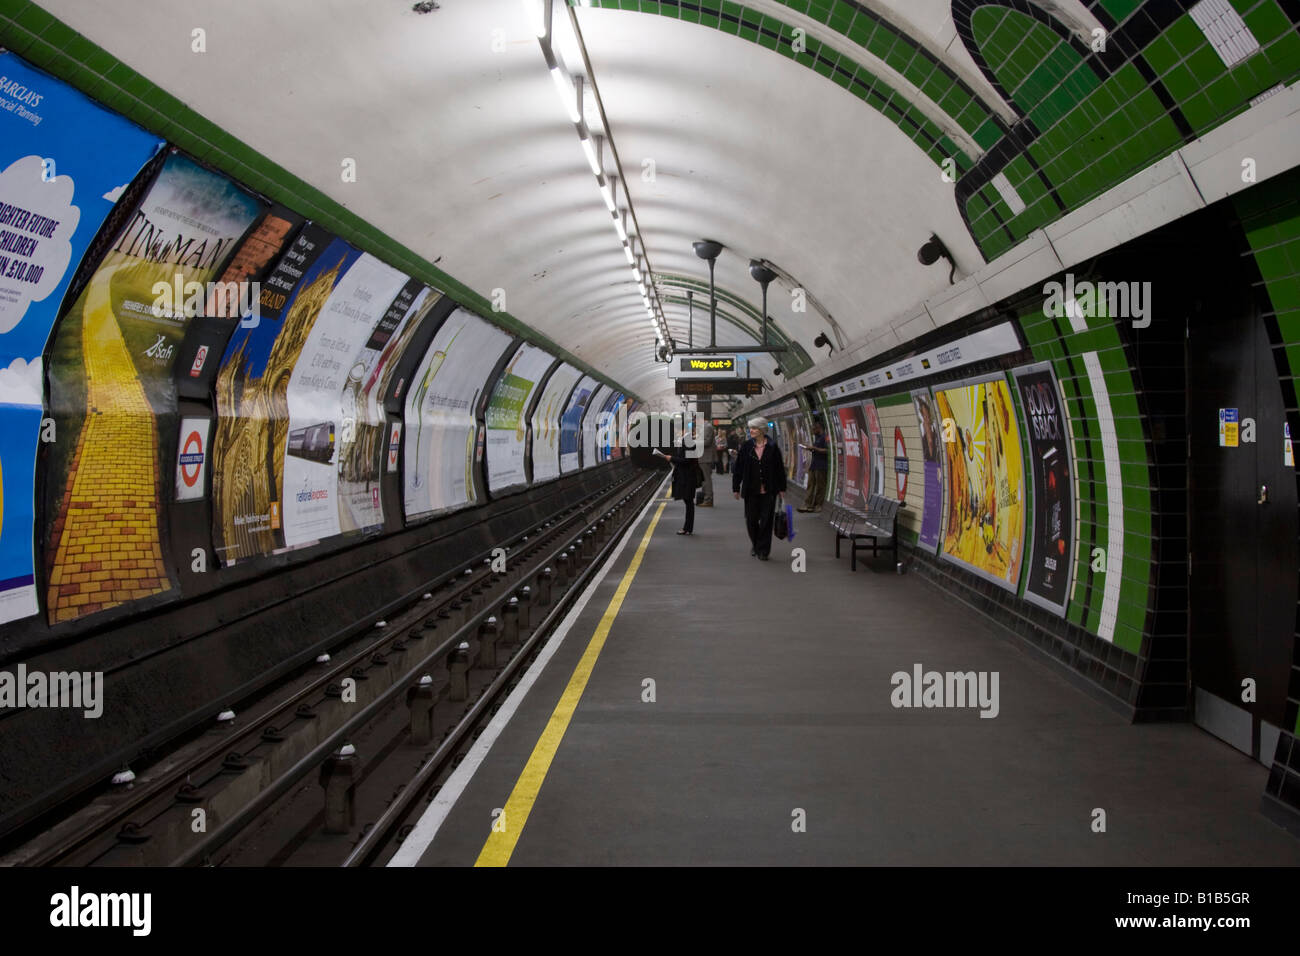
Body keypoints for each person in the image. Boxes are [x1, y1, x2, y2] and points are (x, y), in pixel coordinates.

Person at [732, 417, 787, 560]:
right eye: (751, 428)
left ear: (762, 430)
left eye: (755, 428)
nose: (751, 431)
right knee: (751, 520)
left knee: (766, 520)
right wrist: (736, 487)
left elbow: (779, 469)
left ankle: (763, 550)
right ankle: (755, 543)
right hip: (751, 490)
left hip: (769, 491)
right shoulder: (746, 447)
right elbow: (738, 468)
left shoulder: (772, 447)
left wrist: (782, 488)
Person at [652, 445, 700, 534]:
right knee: (688, 502)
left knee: (688, 502)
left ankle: (687, 528)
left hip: (688, 477)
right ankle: (687, 528)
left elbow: (687, 460)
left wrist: (671, 458)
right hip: (686, 476)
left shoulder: (689, 443)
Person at [798, 419, 828, 512]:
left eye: (813, 429)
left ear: (818, 428)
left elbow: (827, 450)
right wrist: (812, 449)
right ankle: (808, 504)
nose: (812, 431)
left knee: (820, 486)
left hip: (821, 465)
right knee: (810, 485)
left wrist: (814, 448)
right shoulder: (817, 438)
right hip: (814, 464)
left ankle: (818, 505)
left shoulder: (825, 438)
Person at [698, 420, 715, 506]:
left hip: (705, 457)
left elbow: (707, 442)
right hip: (703, 457)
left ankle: (708, 499)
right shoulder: (704, 427)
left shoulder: (707, 427)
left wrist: (694, 442)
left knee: (706, 479)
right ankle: (705, 498)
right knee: (704, 479)